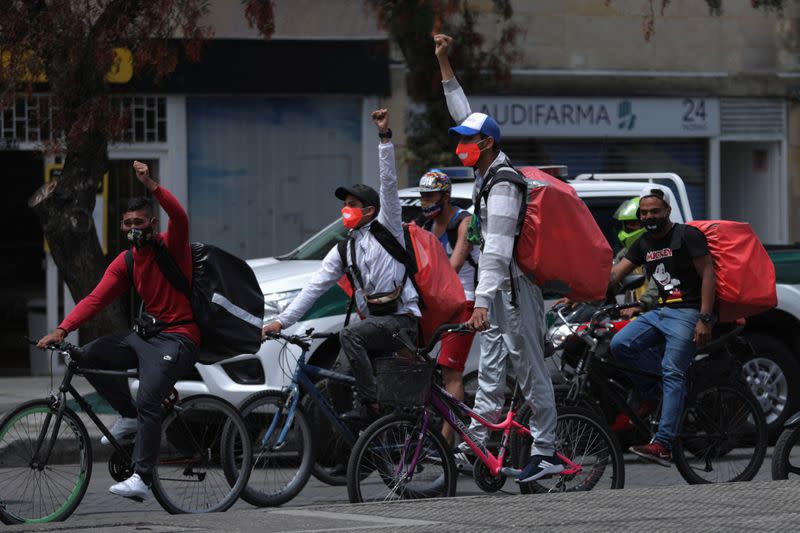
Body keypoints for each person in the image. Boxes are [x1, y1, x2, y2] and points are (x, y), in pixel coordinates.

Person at [434, 33, 563, 482]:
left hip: (513, 290)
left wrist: (483, 303)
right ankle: (478, 444)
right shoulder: (485, 172)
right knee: (489, 370)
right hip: (497, 292)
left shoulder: (503, 181)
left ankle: (545, 451)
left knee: (529, 369)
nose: (460, 147)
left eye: (467, 142)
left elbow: (498, 248)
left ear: (485, 145)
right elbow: (462, 110)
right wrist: (444, 61)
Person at [37, 161, 200, 501]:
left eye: (139, 223)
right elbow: (95, 299)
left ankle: (142, 478)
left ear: (152, 224)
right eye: (127, 224)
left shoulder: (173, 245)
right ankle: (128, 414)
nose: (133, 228)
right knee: (89, 355)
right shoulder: (127, 260)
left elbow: (180, 216)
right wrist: (62, 329)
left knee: (150, 397)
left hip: (179, 337)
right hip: (146, 337)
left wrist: (150, 183)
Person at [262, 108, 420, 422]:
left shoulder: (387, 228)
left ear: (371, 210)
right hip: (374, 326)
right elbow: (314, 287)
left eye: (352, 205)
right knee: (335, 378)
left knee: (350, 336)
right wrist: (282, 321)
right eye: (343, 205)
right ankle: (357, 447)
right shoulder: (345, 248)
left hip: (401, 324)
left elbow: (388, 183)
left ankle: (371, 406)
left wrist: (385, 138)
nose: (345, 210)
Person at [608, 187, 716, 466]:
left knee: (672, 370)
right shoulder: (643, 243)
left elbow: (707, 274)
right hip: (662, 312)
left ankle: (664, 444)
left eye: (654, 211)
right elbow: (615, 276)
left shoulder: (687, 235)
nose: (649, 217)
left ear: (667, 211)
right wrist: (576, 293)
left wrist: (704, 318)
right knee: (621, 345)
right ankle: (654, 394)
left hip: (688, 312)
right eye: (644, 213)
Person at [417, 169, 480, 444]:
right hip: (439, 301)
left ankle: (445, 444)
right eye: (423, 197)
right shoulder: (426, 225)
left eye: (431, 196)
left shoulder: (463, 222)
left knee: (451, 372)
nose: (426, 202)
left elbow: (452, 266)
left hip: (465, 300)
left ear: (446, 195)